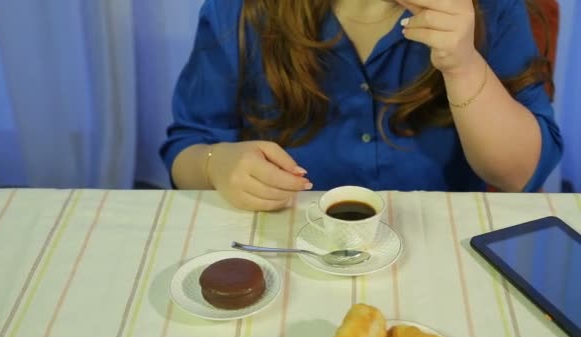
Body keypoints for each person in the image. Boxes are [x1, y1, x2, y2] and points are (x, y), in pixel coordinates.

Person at [160, 0, 563, 211]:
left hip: (441, 253)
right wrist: (218, 165)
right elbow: (187, 147)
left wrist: (463, 65)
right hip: (284, 250)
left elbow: (519, 175)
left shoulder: (493, 8)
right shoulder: (240, 9)